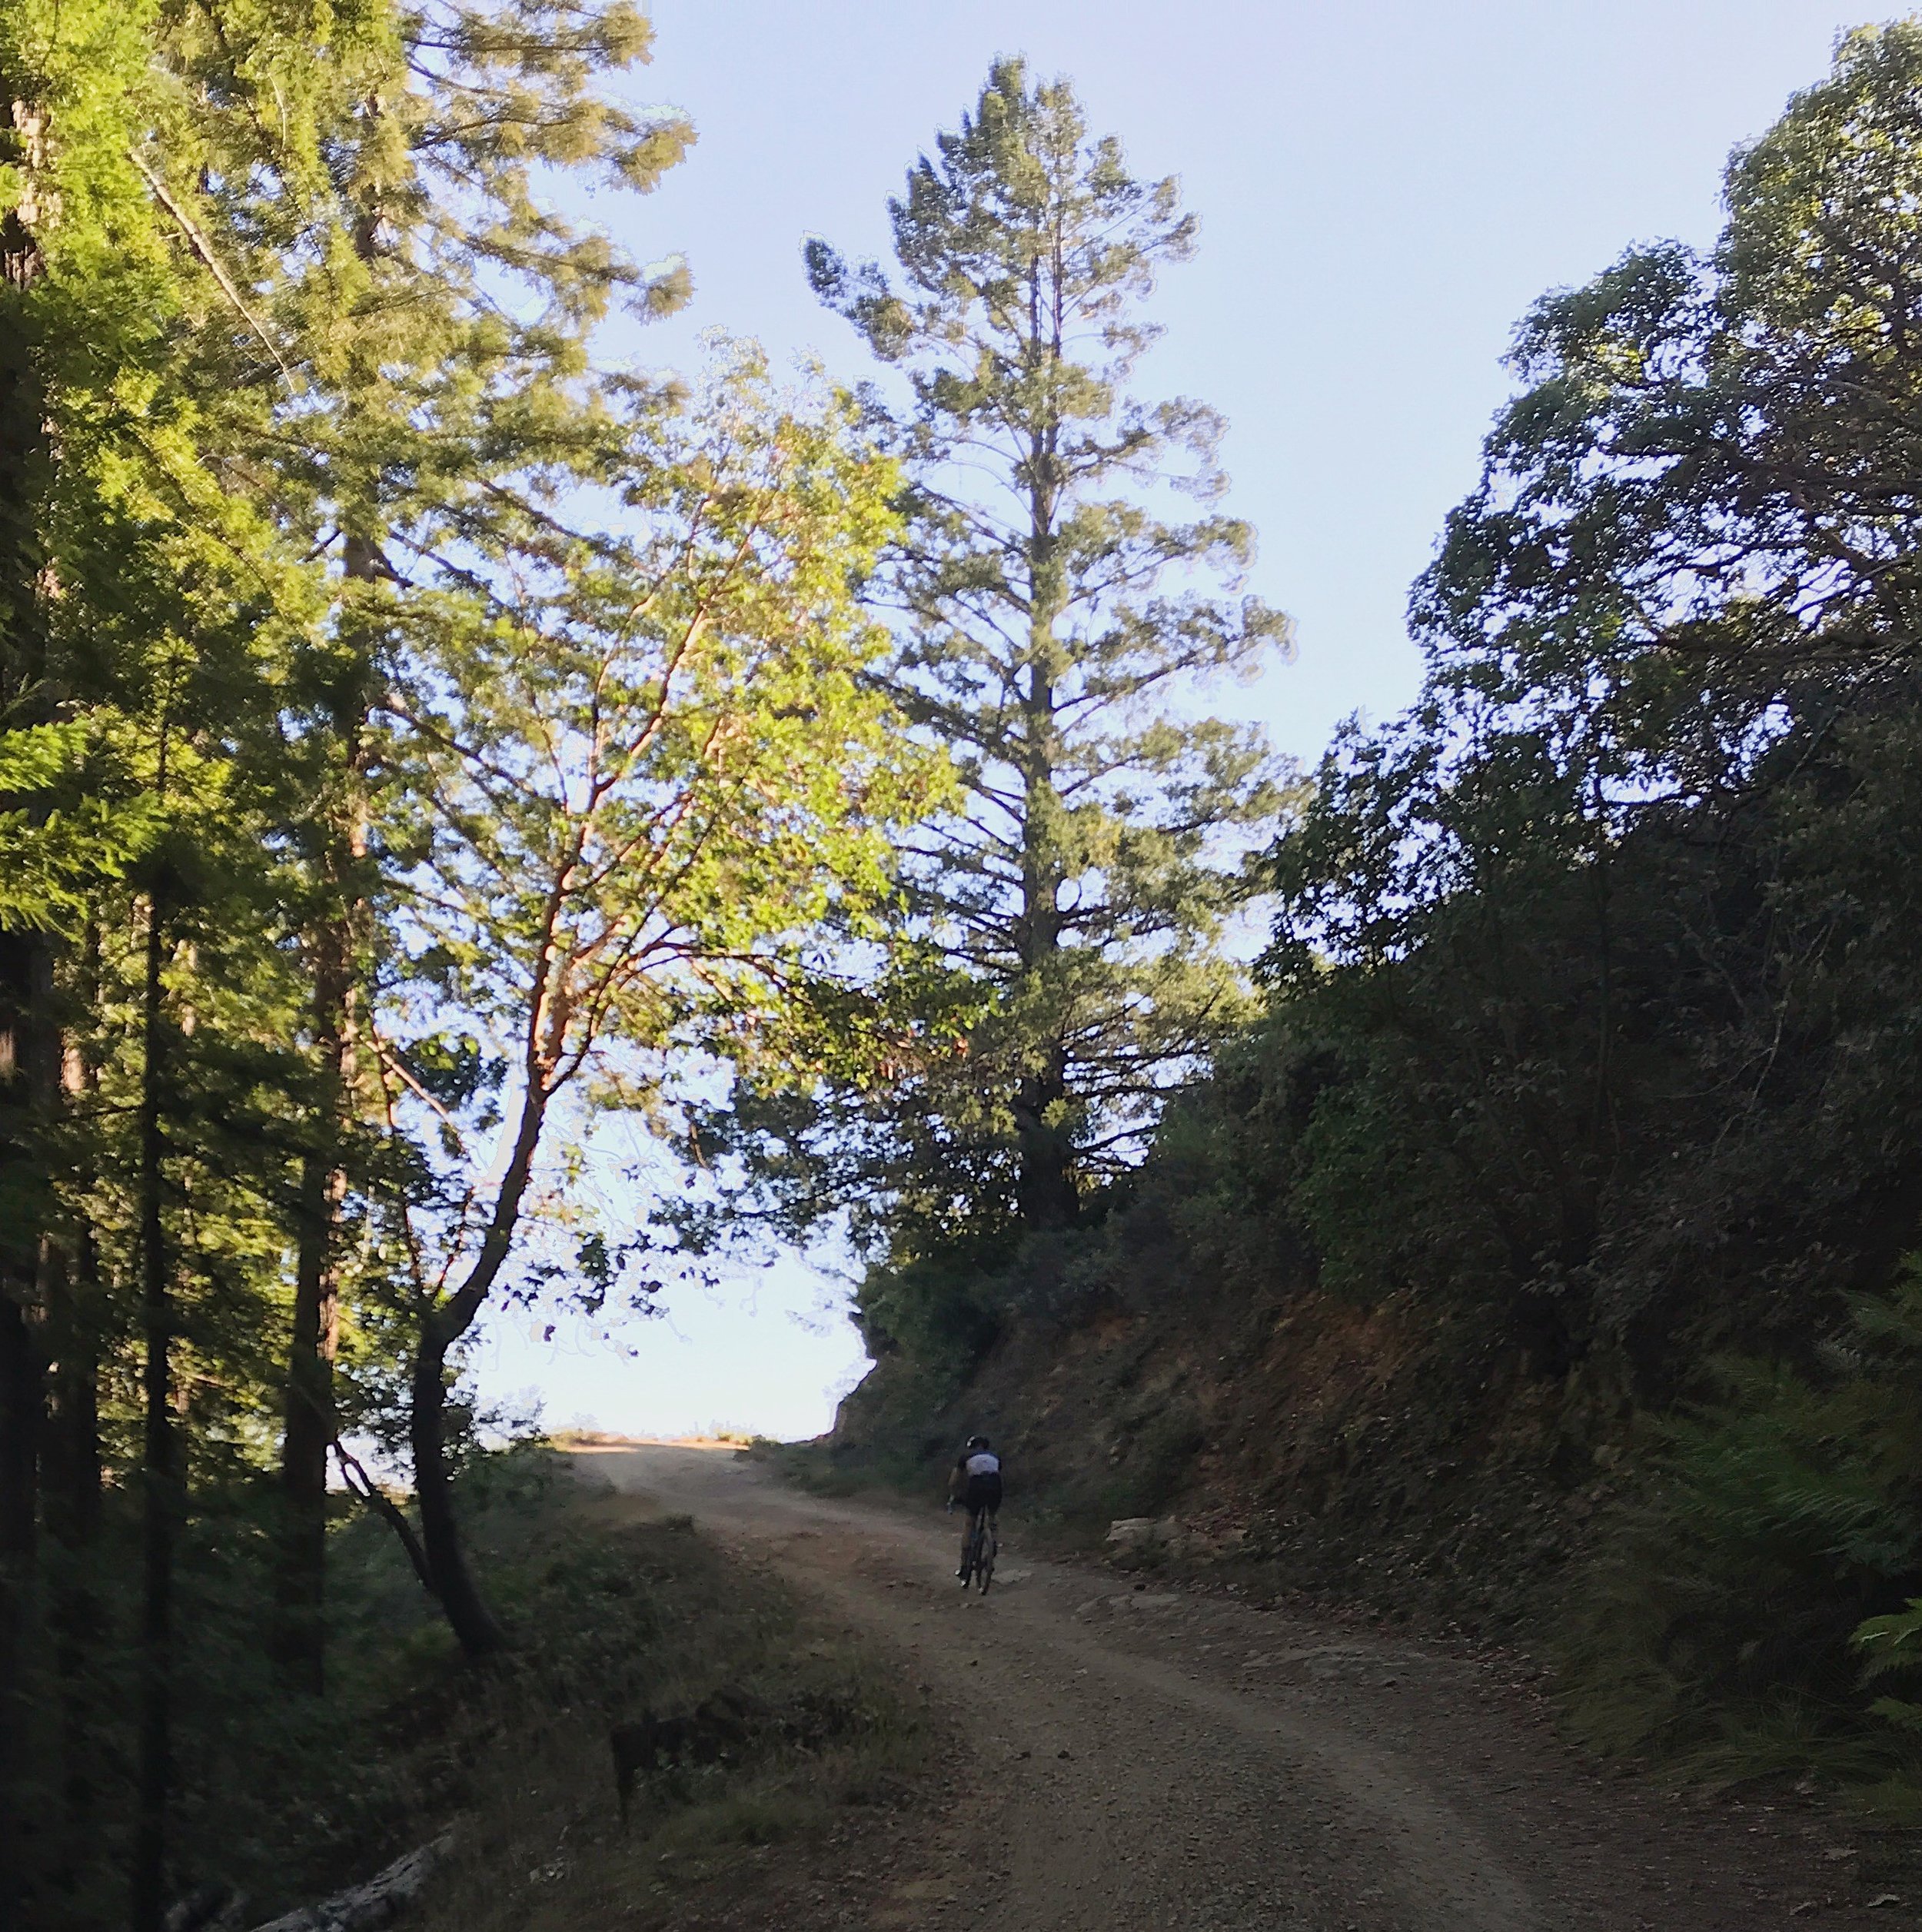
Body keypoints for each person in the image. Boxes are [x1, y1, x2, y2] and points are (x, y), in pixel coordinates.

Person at [948, 1434, 1002, 1581]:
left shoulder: (965, 1456)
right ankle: (993, 1542)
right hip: (995, 1486)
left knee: (970, 1522)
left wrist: (954, 1496)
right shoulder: (994, 1456)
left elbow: (954, 1481)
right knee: (992, 1515)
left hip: (977, 1486)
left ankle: (964, 1566)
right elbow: (996, 1474)